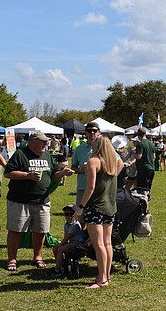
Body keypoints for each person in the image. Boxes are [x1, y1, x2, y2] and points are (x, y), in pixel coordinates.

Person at [4, 131, 74, 272]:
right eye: (42, 141)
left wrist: (63, 173)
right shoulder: (20, 154)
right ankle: (12, 259)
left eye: (45, 141)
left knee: (40, 230)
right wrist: (27, 175)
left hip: (42, 200)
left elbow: (53, 175)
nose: (45, 144)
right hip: (20, 200)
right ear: (32, 141)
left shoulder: (47, 156)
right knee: (16, 230)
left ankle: (37, 256)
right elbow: (8, 173)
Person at [77, 135, 123, 289]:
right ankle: (106, 276)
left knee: (98, 245)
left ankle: (101, 279)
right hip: (110, 208)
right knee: (107, 243)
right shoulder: (113, 163)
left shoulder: (93, 162)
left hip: (95, 207)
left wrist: (81, 207)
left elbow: (90, 188)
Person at [47, 205, 89, 278]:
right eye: (66, 214)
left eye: (71, 215)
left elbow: (67, 237)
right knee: (55, 248)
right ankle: (61, 265)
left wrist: (60, 245)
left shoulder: (75, 225)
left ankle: (57, 270)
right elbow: (65, 238)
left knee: (60, 249)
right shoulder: (66, 225)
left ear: (75, 215)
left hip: (78, 243)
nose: (68, 217)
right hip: (72, 243)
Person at [71, 122, 102, 206]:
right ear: (85, 132)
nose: (92, 133)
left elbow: (118, 163)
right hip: (83, 187)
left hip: (100, 188)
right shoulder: (79, 149)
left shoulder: (104, 147)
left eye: (94, 131)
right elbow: (73, 167)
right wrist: (80, 169)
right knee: (81, 215)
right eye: (89, 130)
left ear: (99, 132)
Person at [135, 129, 157, 197]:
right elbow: (154, 157)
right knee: (148, 188)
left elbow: (139, 156)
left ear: (138, 135)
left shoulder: (140, 144)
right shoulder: (151, 143)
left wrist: (134, 154)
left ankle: (144, 205)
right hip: (151, 168)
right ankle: (147, 203)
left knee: (143, 189)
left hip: (143, 169)